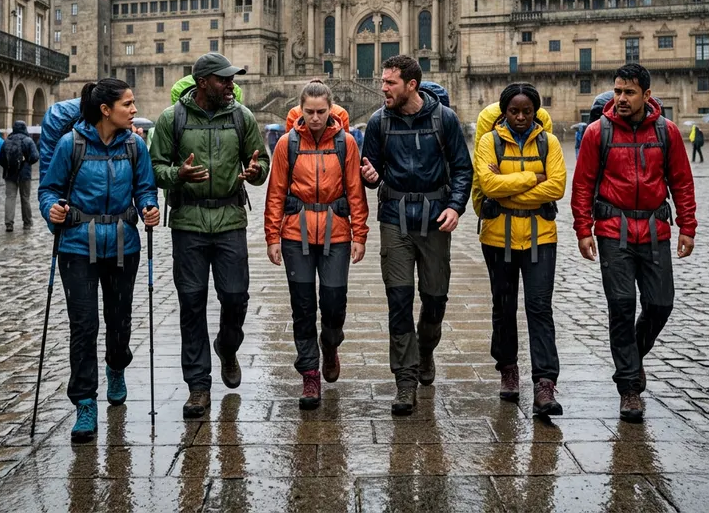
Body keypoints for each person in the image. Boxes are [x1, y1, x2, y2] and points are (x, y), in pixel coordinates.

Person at [571, 64, 696, 423]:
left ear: (647, 95)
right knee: (622, 307)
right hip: (614, 231)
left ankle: (633, 358)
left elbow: (682, 182)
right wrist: (584, 229)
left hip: (656, 230)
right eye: (617, 91)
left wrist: (687, 226)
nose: (621, 99)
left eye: (628, 92)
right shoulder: (598, 133)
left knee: (660, 304)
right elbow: (583, 185)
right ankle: (629, 388)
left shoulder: (667, 132)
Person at [149, 53, 269, 419]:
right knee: (191, 303)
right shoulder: (173, 119)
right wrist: (177, 177)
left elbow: (261, 161)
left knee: (235, 298)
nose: (231, 85)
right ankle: (198, 387)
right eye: (224, 80)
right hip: (188, 224)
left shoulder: (242, 117)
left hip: (230, 220)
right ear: (203, 83)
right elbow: (155, 168)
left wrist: (255, 171)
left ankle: (227, 346)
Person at [38, 79, 159, 443]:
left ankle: (116, 366)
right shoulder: (69, 145)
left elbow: (144, 187)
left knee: (120, 321)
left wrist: (149, 207)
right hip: (76, 246)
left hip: (124, 244)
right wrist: (52, 210)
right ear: (106, 110)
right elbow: (49, 188)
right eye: (128, 104)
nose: (134, 110)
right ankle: (85, 402)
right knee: (84, 325)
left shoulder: (136, 146)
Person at [361, 55, 473, 415]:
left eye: (390, 83)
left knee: (435, 298)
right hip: (394, 217)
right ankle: (405, 380)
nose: (383, 88)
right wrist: (370, 177)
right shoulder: (378, 122)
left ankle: (426, 349)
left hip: (435, 217)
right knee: (398, 300)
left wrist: (456, 206)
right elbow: (371, 167)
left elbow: (461, 168)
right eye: (382, 82)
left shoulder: (445, 120)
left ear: (411, 85)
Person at [265, 81, 369, 409]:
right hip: (296, 233)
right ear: (300, 110)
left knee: (334, 303)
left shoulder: (346, 143)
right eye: (308, 112)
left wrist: (360, 234)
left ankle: (331, 343)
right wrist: (272, 237)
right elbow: (276, 192)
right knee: (303, 306)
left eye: (321, 112)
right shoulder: (286, 144)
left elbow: (355, 190)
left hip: (336, 233)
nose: (314, 118)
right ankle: (310, 373)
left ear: (331, 110)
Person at [473, 84, 566, 416]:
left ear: (536, 112)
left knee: (540, 307)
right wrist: (533, 178)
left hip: (541, 236)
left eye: (528, 111)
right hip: (499, 236)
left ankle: (544, 382)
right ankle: (508, 370)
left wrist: (510, 188)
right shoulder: (489, 142)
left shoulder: (549, 142)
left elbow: (556, 186)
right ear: (504, 112)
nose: (522, 117)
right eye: (515, 111)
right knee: (504, 304)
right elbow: (488, 185)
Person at [0, 121, 40, 232]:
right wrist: (27, 162)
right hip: (24, 173)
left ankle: (9, 223)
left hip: (9, 174)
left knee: (10, 198)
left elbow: (1, 159)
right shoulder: (28, 140)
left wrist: (9, 166)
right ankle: (27, 222)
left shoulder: (7, 141)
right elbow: (35, 156)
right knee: (25, 198)